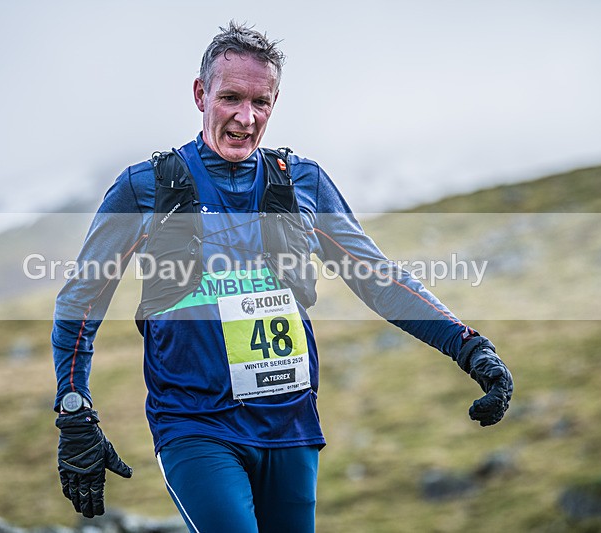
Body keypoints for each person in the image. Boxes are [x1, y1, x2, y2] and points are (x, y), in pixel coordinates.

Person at [52, 21, 513, 533]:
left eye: (261, 102)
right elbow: (82, 299)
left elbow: (378, 278)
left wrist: (470, 347)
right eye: (230, 98)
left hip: (291, 426)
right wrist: (74, 409)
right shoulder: (147, 188)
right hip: (195, 426)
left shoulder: (303, 183)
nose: (244, 118)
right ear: (201, 94)